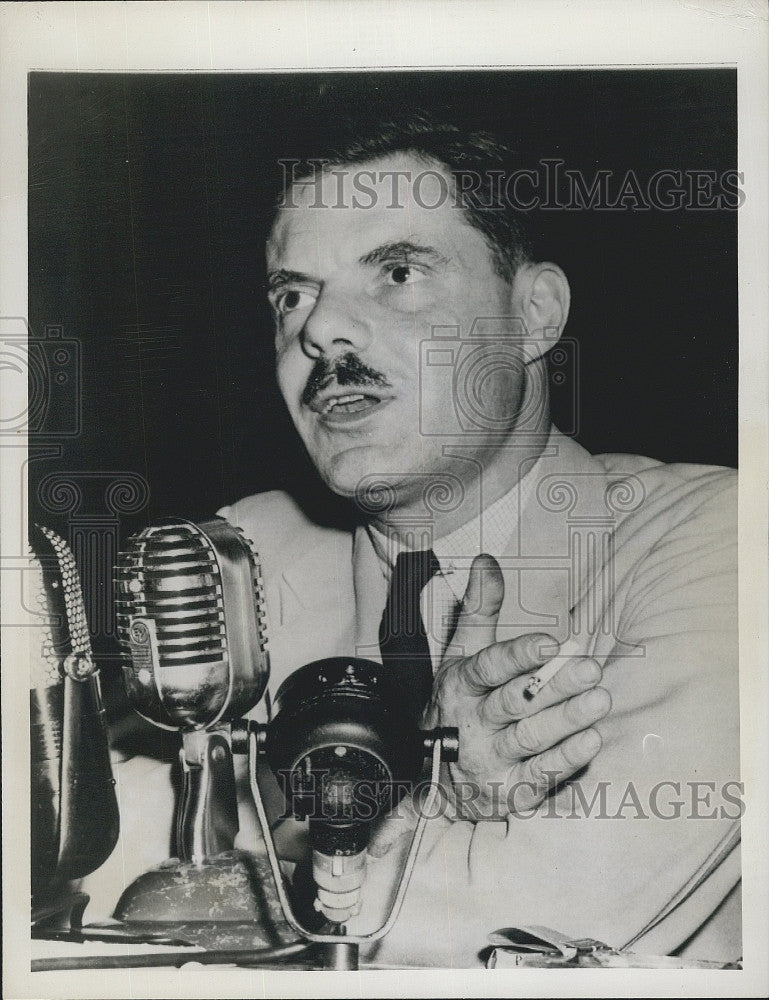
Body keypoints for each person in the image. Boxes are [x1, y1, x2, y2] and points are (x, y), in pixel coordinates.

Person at [87, 113, 741, 968]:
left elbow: (547, 917)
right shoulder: (239, 558)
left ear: (534, 313)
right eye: (293, 295)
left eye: (396, 272)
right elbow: (84, 861)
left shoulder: (716, 542)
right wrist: (436, 799)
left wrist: (315, 840)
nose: (319, 332)